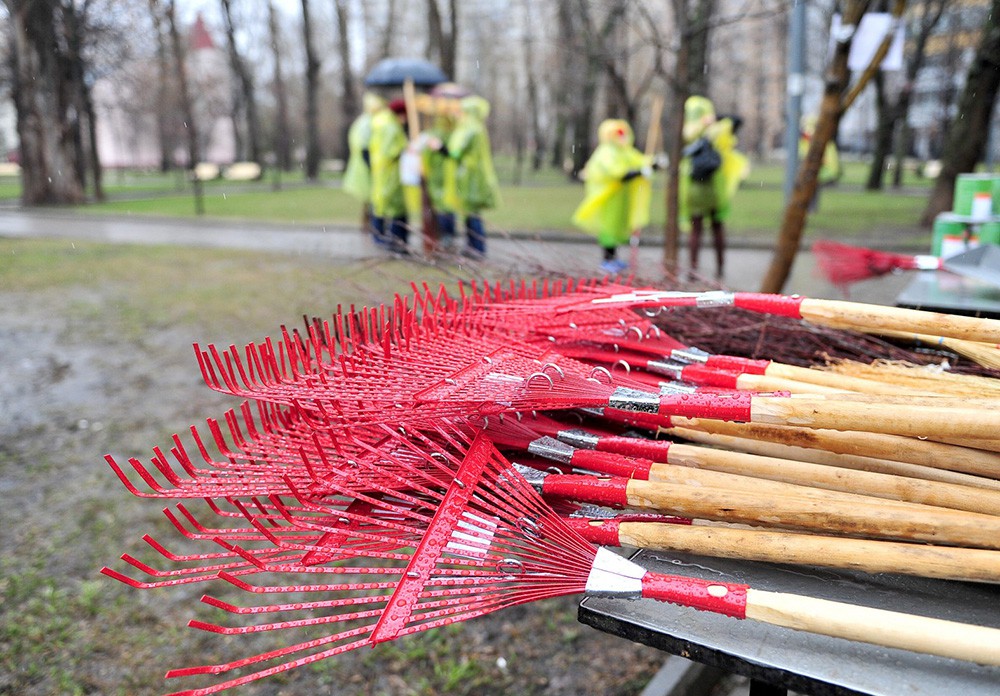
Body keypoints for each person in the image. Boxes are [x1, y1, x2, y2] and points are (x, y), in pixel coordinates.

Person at [572, 119, 653, 274]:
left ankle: (613, 258)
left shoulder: (624, 151)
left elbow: (639, 160)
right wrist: (638, 172)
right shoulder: (606, 152)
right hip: (608, 198)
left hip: (621, 198)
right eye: (619, 134)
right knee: (608, 227)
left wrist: (652, 163)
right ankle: (607, 260)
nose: (622, 137)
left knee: (616, 227)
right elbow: (616, 172)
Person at [680, 95, 749, 278]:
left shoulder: (689, 130)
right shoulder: (716, 130)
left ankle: (693, 269)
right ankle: (720, 268)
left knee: (697, 227)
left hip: (694, 184)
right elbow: (735, 121)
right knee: (717, 226)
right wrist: (715, 119)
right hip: (715, 185)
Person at [443, 95, 500, 259]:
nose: (458, 114)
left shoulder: (471, 129)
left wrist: (440, 148)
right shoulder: (473, 127)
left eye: (461, 111)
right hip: (470, 177)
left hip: (471, 178)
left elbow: (456, 152)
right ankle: (473, 247)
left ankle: (478, 248)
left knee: (472, 214)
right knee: (470, 214)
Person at [368, 97, 410, 252]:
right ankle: (394, 242)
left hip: (382, 172)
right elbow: (390, 151)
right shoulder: (391, 128)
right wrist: (406, 149)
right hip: (391, 173)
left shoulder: (382, 124)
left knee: (382, 205)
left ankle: (383, 239)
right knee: (394, 208)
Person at [342, 92, 385, 232]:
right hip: (367, 166)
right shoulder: (369, 122)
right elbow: (364, 147)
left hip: (361, 165)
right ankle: (371, 226)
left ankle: (368, 225)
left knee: (369, 199)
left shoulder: (363, 121)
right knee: (373, 198)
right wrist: (372, 166)